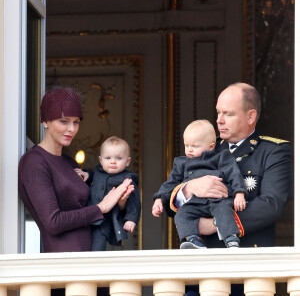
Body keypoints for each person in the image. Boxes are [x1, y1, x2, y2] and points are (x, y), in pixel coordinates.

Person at [165, 83, 292, 295]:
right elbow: (168, 197)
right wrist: (189, 188)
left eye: (228, 114)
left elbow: (272, 204)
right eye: (218, 112)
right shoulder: (205, 146)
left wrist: (215, 224)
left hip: (247, 272)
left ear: (251, 117)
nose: (219, 120)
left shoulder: (272, 152)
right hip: (202, 270)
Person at [18, 87, 134, 296]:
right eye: (64, 121)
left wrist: (120, 201)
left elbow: (92, 209)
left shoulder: (70, 163)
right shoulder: (34, 162)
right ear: (45, 121)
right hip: (66, 272)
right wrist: (102, 207)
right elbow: (53, 222)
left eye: (76, 122)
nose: (71, 128)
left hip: (92, 266)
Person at [152, 120, 247, 248]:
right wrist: (159, 198)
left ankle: (231, 238)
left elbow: (234, 174)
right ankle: (193, 239)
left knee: (225, 211)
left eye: (195, 146)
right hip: (194, 203)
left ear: (211, 146)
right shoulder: (181, 163)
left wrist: (239, 193)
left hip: (218, 199)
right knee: (181, 214)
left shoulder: (221, 157)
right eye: (186, 145)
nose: (189, 150)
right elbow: (171, 182)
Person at [76, 136, 141, 251]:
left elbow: (134, 201)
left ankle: (96, 264)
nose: (112, 161)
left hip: (104, 221)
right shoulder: (98, 171)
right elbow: (93, 178)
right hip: (87, 216)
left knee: (98, 244)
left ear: (127, 161)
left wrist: (131, 219)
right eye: (107, 158)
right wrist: (87, 175)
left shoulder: (127, 179)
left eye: (119, 158)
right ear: (100, 160)